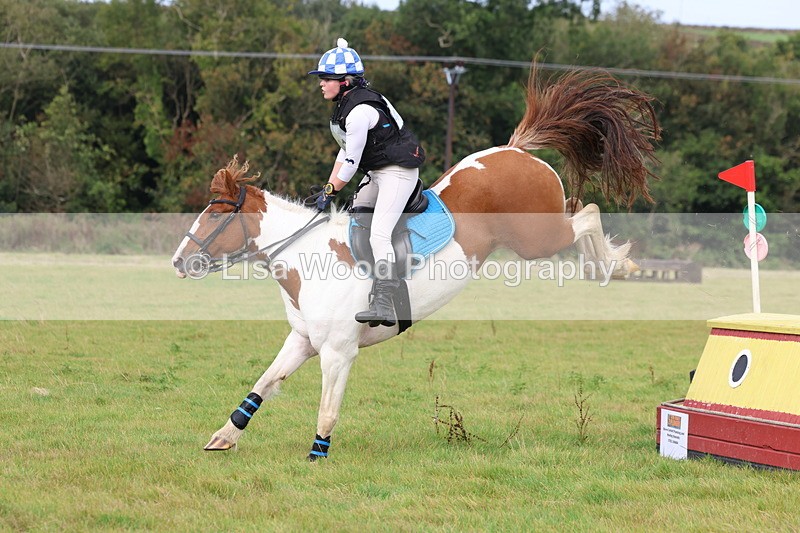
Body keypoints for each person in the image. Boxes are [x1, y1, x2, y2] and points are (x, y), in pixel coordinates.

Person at [309, 38, 425, 328]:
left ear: (345, 81)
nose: (321, 84)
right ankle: (364, 284)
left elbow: (351, 161)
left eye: (326, 79)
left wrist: (333, 189)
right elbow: (344, 149)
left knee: (379, 235)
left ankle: (385, 302)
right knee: (358, 219)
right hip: (378, 171)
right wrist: (328, 186)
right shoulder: (346, 104)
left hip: (398, 173)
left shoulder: (360, 111)